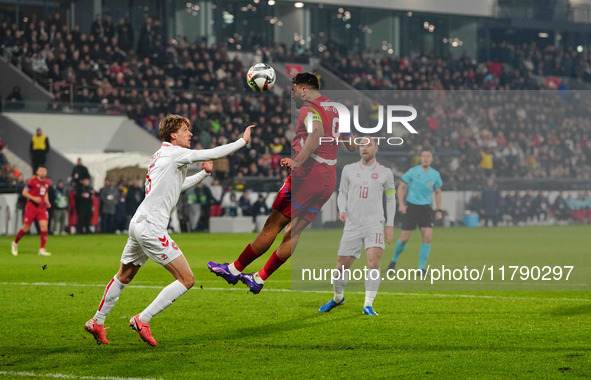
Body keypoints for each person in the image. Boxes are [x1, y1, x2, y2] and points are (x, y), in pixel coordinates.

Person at [84, 114, 253, 346]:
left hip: (138, 224)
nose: (190, 134)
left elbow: (177, 187)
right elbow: (212, 153)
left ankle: (97, 321)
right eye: (186, 130)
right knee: (186, 279)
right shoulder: (175, 153)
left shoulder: (158, 156)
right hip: (152, 227)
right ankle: (142, 319)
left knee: (124, 275)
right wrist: (242, 141)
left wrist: (203, 174)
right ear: (173, 135)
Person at [207, 72, 355, 294]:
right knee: (293, 233)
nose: (292, 94)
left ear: (304, 90)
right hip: (328, 179)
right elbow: (351, 145)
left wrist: (297, 161)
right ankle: (259, 277)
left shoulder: (309, 109)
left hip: (307, 176)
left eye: (293, 89)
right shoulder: (336, 109)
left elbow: (315, 135)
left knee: (272, 226)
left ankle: (234, 269)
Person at [319, 137, 396, 316]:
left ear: (376, 148)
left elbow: (391, 198)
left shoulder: (386, 172)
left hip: (375, 224)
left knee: (374, 264)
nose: (364, 148)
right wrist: (342, 210)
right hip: (352, 224)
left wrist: (390, 225)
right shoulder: (348, 170)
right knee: (340, 268)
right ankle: (338, 298)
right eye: (361, 145)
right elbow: (342, 193)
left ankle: (368, 304)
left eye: (368, 145)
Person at [387, 149, 442, 276]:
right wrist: (401, 204)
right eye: (423, 156)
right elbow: (401, 187)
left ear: (432, 159)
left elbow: (438, 192)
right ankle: (393, 262)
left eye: (428, 156)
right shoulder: (413, 172)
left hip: (426, 208)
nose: (426, 158)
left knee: (427, 238)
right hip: (412, 207)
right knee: (404, 238)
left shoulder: (435, 174)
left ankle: (421, 269)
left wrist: (439, 210)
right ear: (420, 158)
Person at [11, 166, 52, 256]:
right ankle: (15, 243)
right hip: (31, 207)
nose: (42, 172)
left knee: (44, 227)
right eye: (41, 171)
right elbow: (24, 192)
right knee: (26, 228)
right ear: (37, 172)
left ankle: (42, 249)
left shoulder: (47, 182)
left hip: (41, 208)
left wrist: (46, 201)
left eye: (44, 171)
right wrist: (34, 198)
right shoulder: (32, 182)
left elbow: (45, 192)